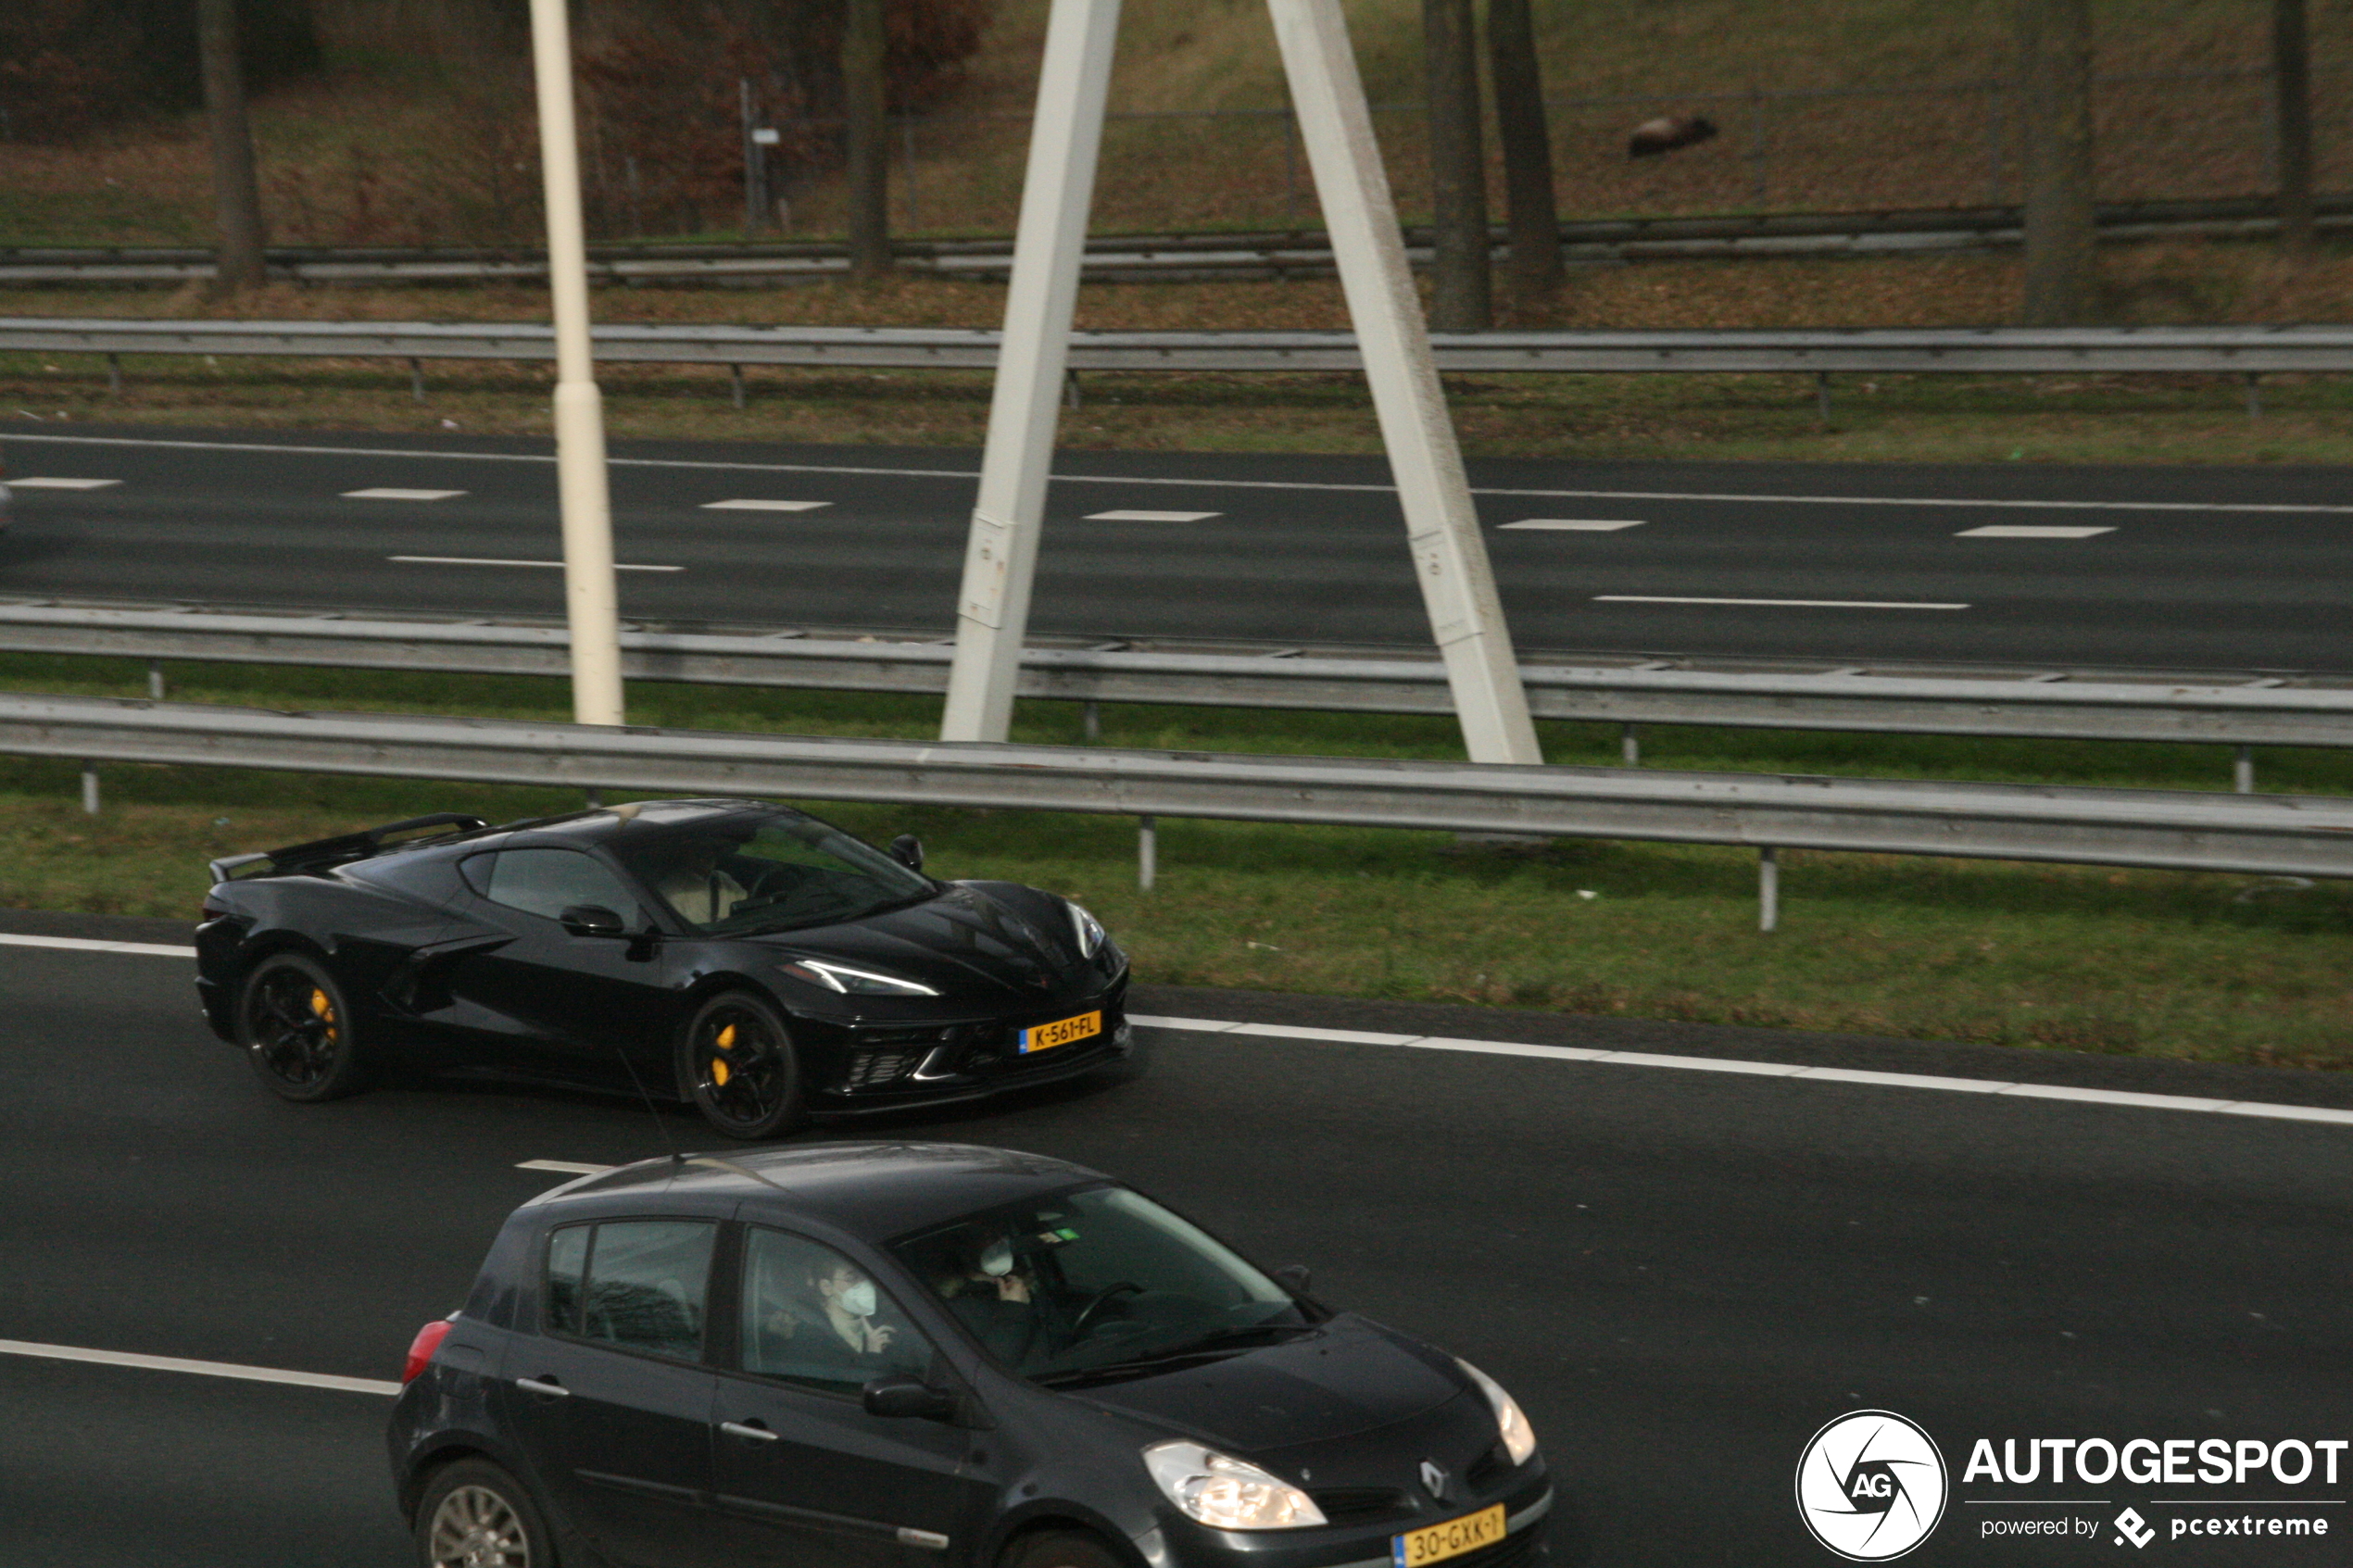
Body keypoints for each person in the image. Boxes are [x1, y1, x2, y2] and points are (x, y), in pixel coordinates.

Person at [644, 837, 748, 926]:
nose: (709, 855)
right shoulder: (670, 889)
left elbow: (745, 907)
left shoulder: (722, 878)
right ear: (687, 854)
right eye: (701, 851)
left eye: (713, 850)